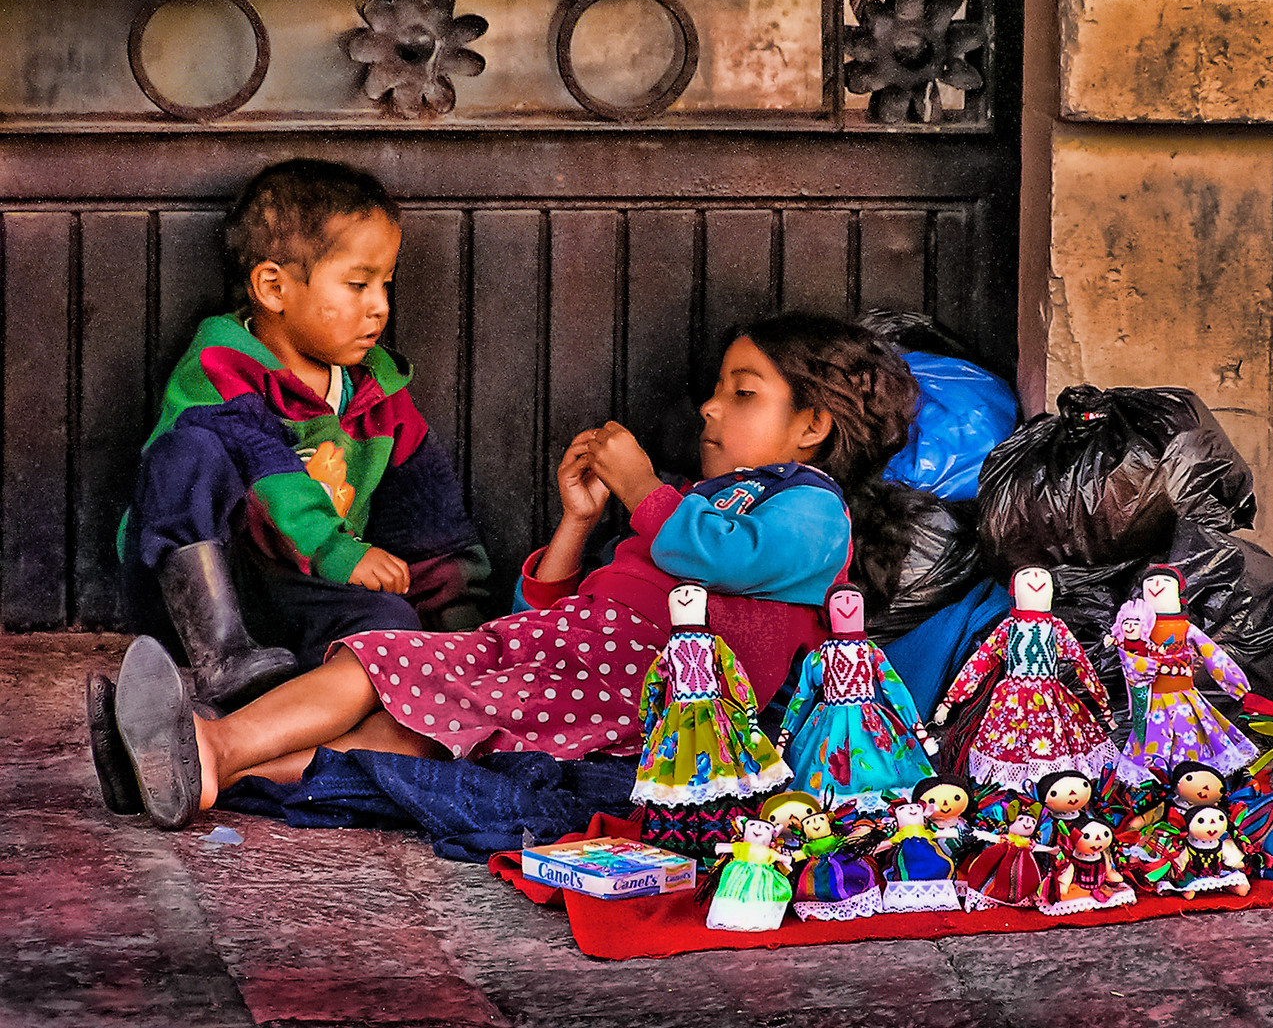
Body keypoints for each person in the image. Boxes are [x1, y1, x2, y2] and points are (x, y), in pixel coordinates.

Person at [103, 313, 920, 830]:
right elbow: (559, 600)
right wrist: (579, 521)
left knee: (384, 671)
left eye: (742, 394)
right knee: (401, 724)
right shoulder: (698, 505)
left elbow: (724, 557)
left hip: (640, 686)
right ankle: (209, 769)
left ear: (812, 426)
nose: (708, 408)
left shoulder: (812, 509)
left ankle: (215, 740)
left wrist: (643, 489)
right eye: (716, 390)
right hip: (561, 652)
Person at [90, 159, 491, 817]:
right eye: (358, 284)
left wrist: (464, 642)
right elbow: (268, 464)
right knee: (190, 448)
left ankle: (166, 757)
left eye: (386, 283)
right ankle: (222, 663)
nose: (380, 306)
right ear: (274, 287)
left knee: (390, 627)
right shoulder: (219, 367)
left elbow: (436, 531)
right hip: (205, 591)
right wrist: (341, 553)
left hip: (302, 599)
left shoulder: (382, 399)